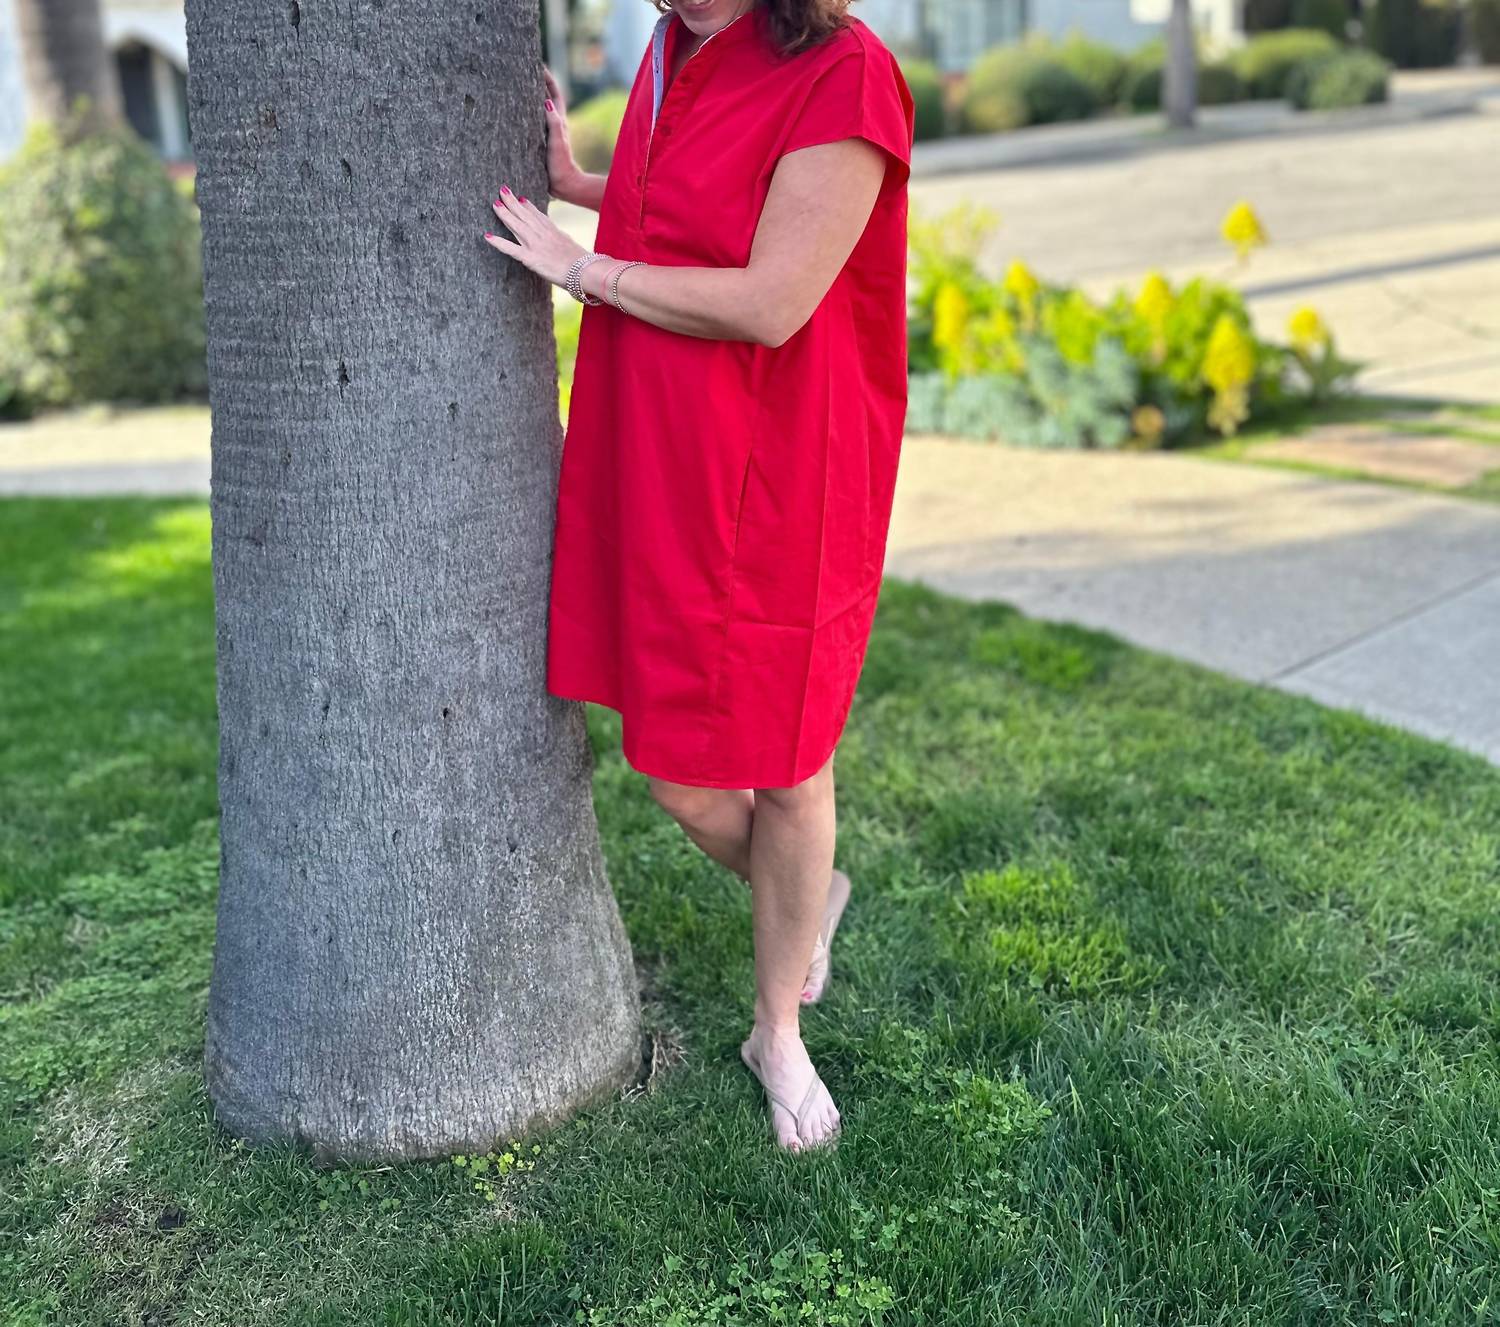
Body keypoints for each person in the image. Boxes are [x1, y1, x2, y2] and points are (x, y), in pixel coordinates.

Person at [483, 0, 913, 1153]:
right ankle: (810, 894)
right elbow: (687, 215)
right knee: (677, 772)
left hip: (783, 462)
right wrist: (579, 183)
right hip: (658, 442)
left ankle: (778, 1031)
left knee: (788, 757)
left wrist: (586, 272)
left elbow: (773, 300)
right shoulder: (678, 42)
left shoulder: (843, 72)